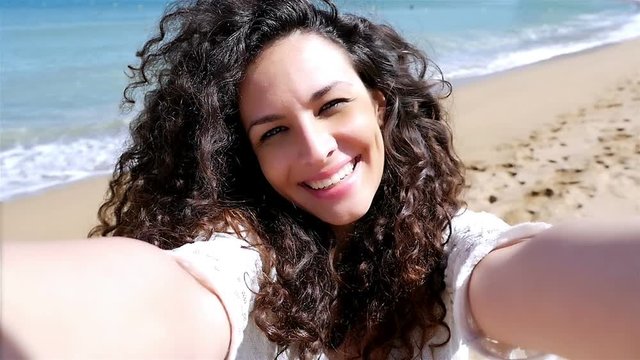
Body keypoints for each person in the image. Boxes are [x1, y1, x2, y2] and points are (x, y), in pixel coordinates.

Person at [2, 0, 639, 359]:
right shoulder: (242, 269)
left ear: (380, 105)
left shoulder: (457, 258)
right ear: (243, 157)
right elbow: (155, 298)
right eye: (272, 131)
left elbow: (543, 279)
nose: (316, 150)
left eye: (332, 105)